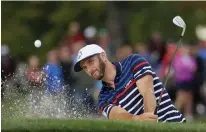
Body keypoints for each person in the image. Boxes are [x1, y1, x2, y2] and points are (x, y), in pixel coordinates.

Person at [73, 44, 186, 123]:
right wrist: (138, 120)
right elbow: (117, 115)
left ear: (103, 56)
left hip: (174, 124)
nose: (90, 69)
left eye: (91, 62)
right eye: (85, 67)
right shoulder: (103, 98)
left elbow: (147, 92)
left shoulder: (133, 61)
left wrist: (148, 120)